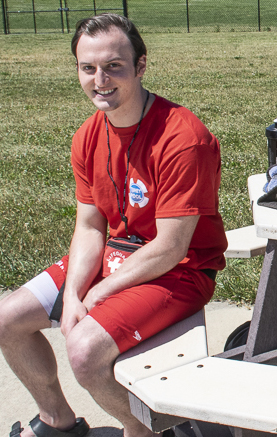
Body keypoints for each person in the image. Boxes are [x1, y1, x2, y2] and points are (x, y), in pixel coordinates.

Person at [0, 13, 227, 437]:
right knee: (7, 319)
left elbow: (172, 247)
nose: (100, 79)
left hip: (180, 270)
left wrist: (98, 294)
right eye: (88, 68)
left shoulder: (183, 137)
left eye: (113, 66)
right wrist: (72, 297)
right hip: (117, 254)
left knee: (84, 351)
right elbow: (89, 228)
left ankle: (146, 430)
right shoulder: (88, 135)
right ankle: (56, 421)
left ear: (141, 66)